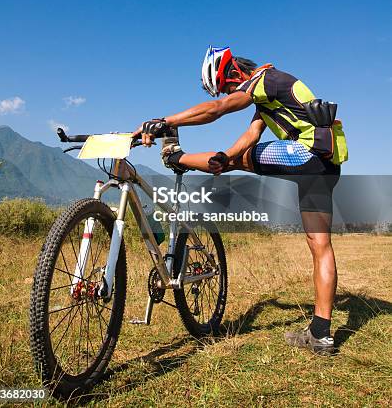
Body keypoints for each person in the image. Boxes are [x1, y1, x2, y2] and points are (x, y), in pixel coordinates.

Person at [133, 45, 348, 354]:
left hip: (307, 153)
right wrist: (227, 158)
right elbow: (251, 136)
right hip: (327, 165)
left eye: (229, 86)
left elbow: (218, 109)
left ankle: (176, 156)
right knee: (319, 245)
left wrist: (165, 122)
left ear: (234, 72)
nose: (233, 91)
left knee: (235, 159)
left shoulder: (266, 79)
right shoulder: (271, 96)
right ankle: (320, 334)